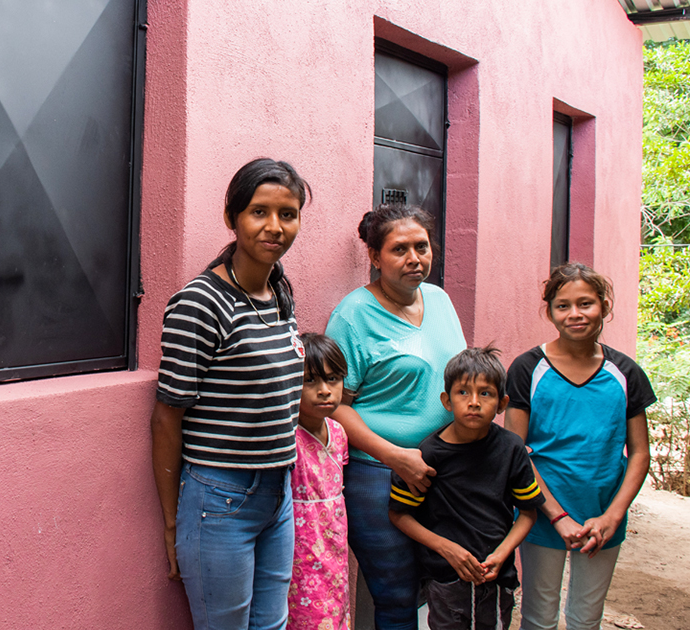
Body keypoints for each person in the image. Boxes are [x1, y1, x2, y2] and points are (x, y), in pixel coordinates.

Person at [151, 158, 311, 630]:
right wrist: (172, 522)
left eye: (288, 213)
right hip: (220, 497)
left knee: (271, 624)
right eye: (259, 212)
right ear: (232, 218)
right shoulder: (200, 303)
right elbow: (166, 418)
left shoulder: (280, 290)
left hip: (277, 492)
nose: (275, 227)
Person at [324, 203, 467, 629]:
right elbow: (336, 406)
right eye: (399, 249)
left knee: (441, 585)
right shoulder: (352, 316)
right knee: (396, 595)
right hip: (379, 476)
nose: (414, 258)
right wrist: (394, 456)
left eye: (421, 246)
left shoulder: (440, 300)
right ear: (374, 257)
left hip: (445, 468)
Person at [505, 263, 655, 630]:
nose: (575, 314)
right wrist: (557, 516)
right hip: (543, 513)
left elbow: (639, 452)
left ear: (604, 306)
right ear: (550, 311)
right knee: (539, 616)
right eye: (563, 305)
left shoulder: (625, 372)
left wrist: (613, 515)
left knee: (586, 618)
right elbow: (516, 451)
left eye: (585, 303)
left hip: (604, 513)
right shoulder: (528, 368)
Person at [389, 346, 545, 630]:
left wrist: (502, 553)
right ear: (447, 401)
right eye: (463, 392)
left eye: (485, 393)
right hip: (445, 579)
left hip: (496, 578)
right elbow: (399, 515)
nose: (474, 402)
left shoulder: (511, 449)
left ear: (502, 403)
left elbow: (528, 514)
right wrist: (447, 549)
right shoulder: (427, 454)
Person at [288, 333, 352, 630]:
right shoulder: (288, 439)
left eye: (333, 379)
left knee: (335, 612)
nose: (325, 390)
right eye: (309, 381)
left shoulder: (338, 433)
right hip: (298, 553)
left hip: (335, 549)